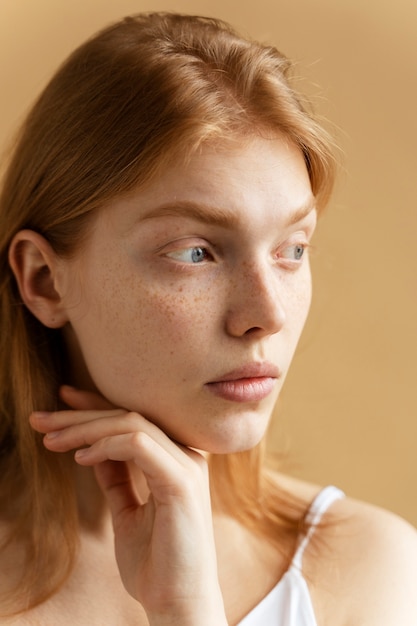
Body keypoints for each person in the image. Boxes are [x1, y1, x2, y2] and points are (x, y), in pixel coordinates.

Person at [0, 11, 416, 625]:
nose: (267, 314)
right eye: (195, 252)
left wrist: (187, 611)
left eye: (292, 250)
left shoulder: (372, 574)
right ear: (43, 279)